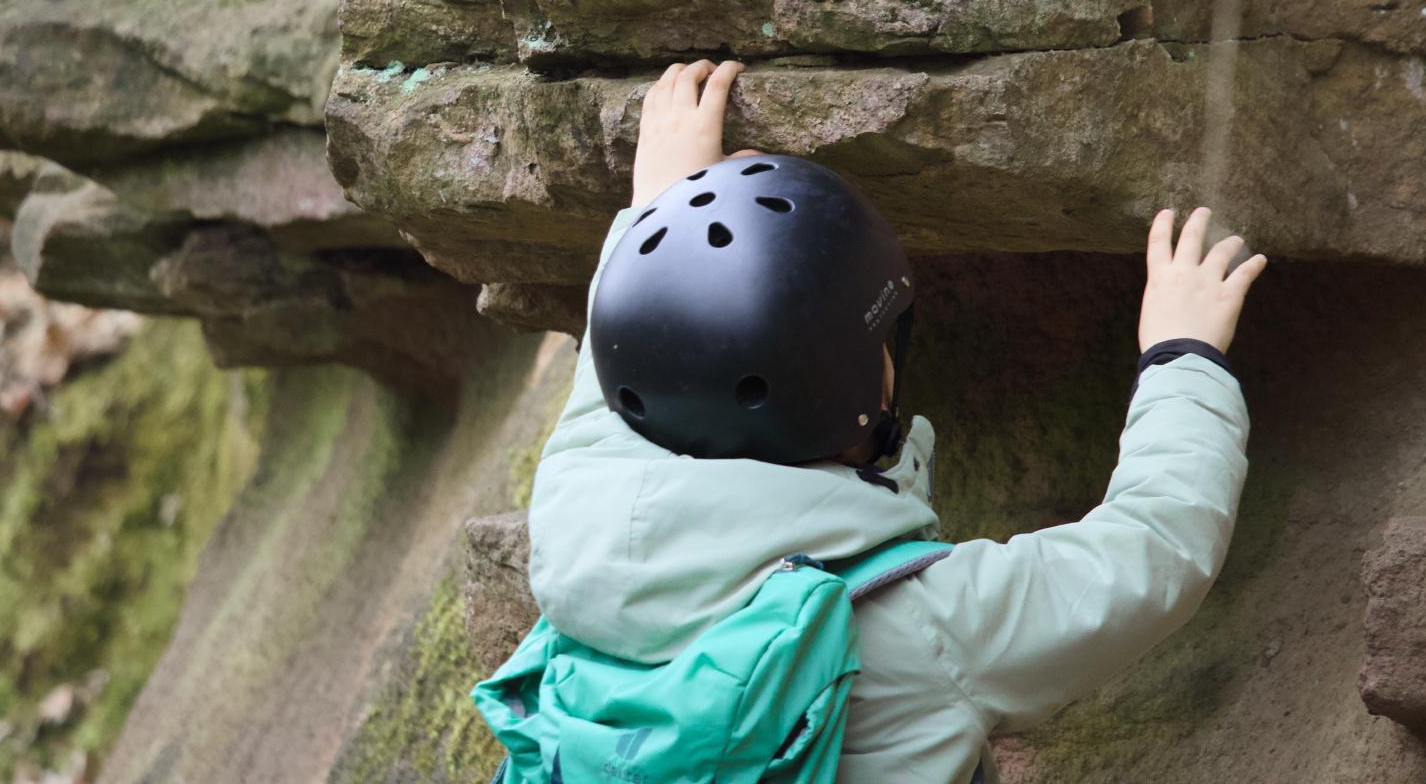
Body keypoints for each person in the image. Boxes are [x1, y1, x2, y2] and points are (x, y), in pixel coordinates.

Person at [521, 59, 1263, 782]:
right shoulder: (913, 627)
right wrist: (1182, 352)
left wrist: (667, 210)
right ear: (851, 382)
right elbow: (1151, 553)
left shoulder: (578, 493)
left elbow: (623, 345)